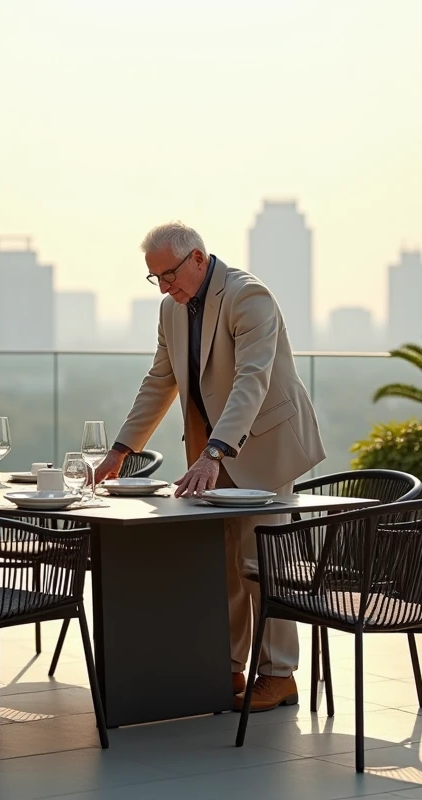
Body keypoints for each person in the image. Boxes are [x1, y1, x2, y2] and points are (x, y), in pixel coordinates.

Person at [93, 221, 326, 711]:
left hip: (264, 443)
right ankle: (229, 667)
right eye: (155, 278)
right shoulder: (170, 309)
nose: (165, 286)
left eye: (170, 274)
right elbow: (161, 381)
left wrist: (216, 451)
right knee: (222, 566)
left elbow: (251, 381)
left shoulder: (249, 297)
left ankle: (279, 675)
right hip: (210, 450)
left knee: (263, 564)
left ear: (198, 258)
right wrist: (120, 451)